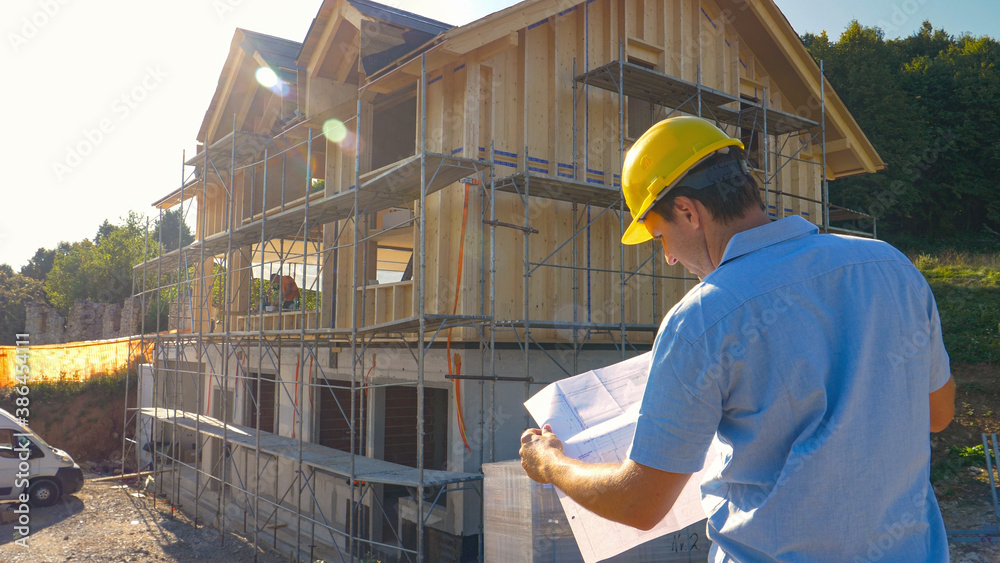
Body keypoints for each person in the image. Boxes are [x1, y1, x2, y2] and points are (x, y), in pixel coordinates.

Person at [519, 116, 955, 561]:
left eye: (659, 235)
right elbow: (937, 413)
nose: (668, 257)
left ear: (688, 212)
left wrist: (551, 463)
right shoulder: (891, 267)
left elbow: (639, 502)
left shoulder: (701, 320)